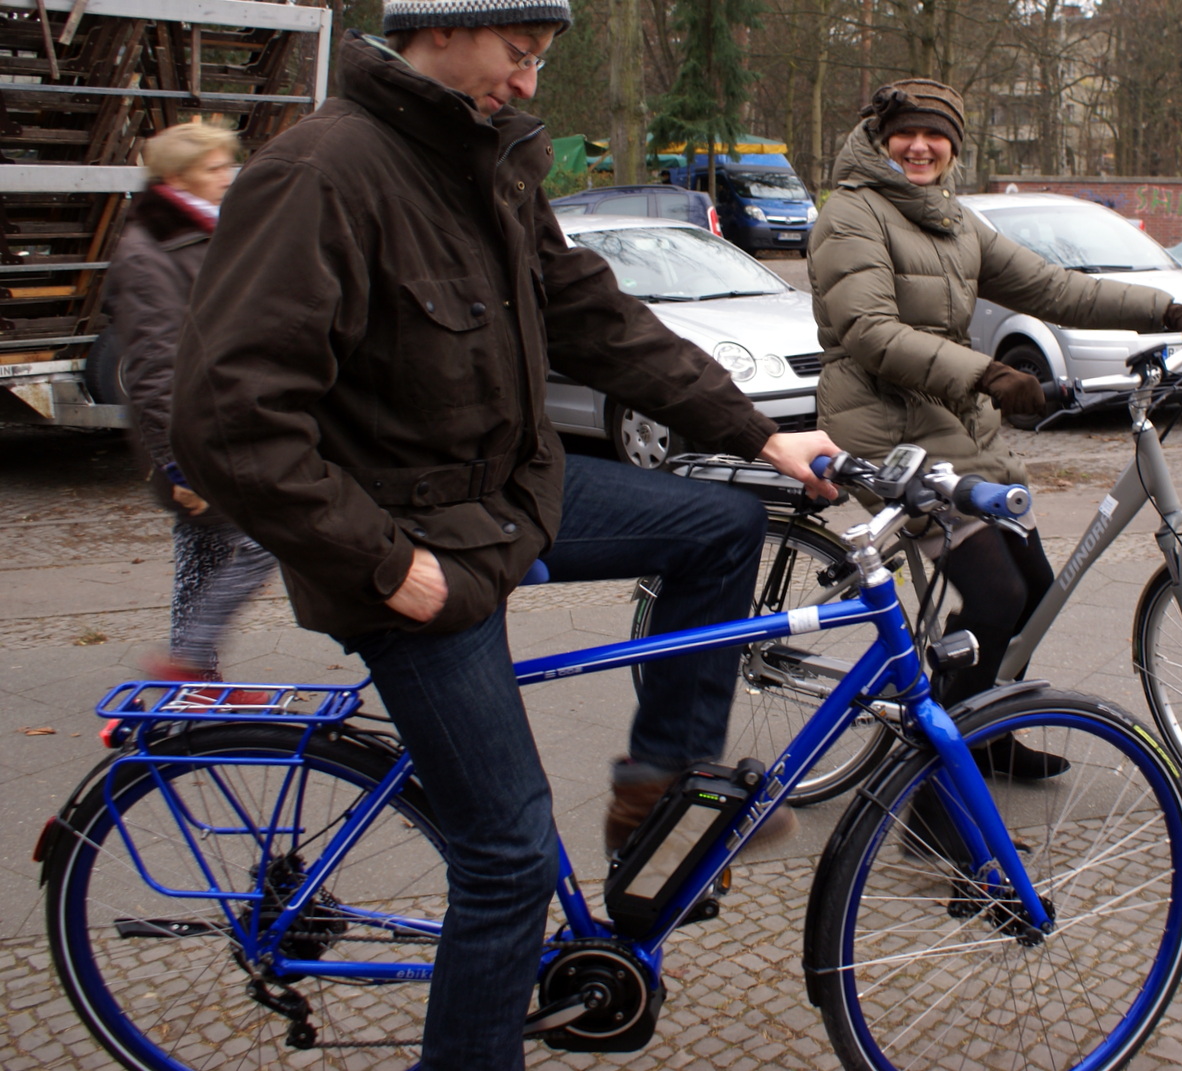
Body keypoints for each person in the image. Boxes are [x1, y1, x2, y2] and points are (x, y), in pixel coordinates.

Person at [168, 5, 836, 1067]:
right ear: (441, 29)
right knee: (510, 861)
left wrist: (759, 431)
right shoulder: (322, 173)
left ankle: (657, 792)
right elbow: (226, 421)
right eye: (518, 56)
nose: (528, 84)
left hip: (506, 499)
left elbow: (596, 319)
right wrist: (387, 565)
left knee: (720, 524)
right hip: (407, 547)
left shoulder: (487, 162)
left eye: (539, 61)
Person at [808, 79, 1182, 776]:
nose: (920, 147)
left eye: (936, 135)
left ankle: (989, 737)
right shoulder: (851, 214)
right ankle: (936, 780)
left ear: (955, 147)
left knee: (1032, 588)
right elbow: (870, 331)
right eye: (907, 133)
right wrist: (988, 373)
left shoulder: (953, 219)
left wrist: (1166, 308)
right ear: (881, 138)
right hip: (884, 421)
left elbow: (1053, 288)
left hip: (952, 418)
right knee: (996, 594)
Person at [107, 121, 278, 686]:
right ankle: (187, 665)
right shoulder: (147, 252)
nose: (228, 177)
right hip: (194, 441)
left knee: (203, 556)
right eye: (214, 168)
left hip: (217, 426)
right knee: (264, 541)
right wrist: (176, 466)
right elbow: (155, 370)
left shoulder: (202, 231)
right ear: (177, 178)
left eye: (228, 164)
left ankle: (192, 679)